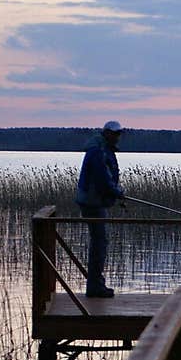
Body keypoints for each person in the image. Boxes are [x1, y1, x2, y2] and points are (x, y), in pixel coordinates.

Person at [75, 120, 126, 297]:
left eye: (119, 133)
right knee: (99, 243)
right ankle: (95, 287)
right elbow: (102, 179)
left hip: (94, 201)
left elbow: (106, 178)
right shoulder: (98, 151)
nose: (117, 136)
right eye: (114, 133)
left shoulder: (102, 149)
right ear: (106, 133)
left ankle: (96, 285)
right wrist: (117, 192)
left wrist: (114, 192)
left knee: (100, 242)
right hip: (92, 202)